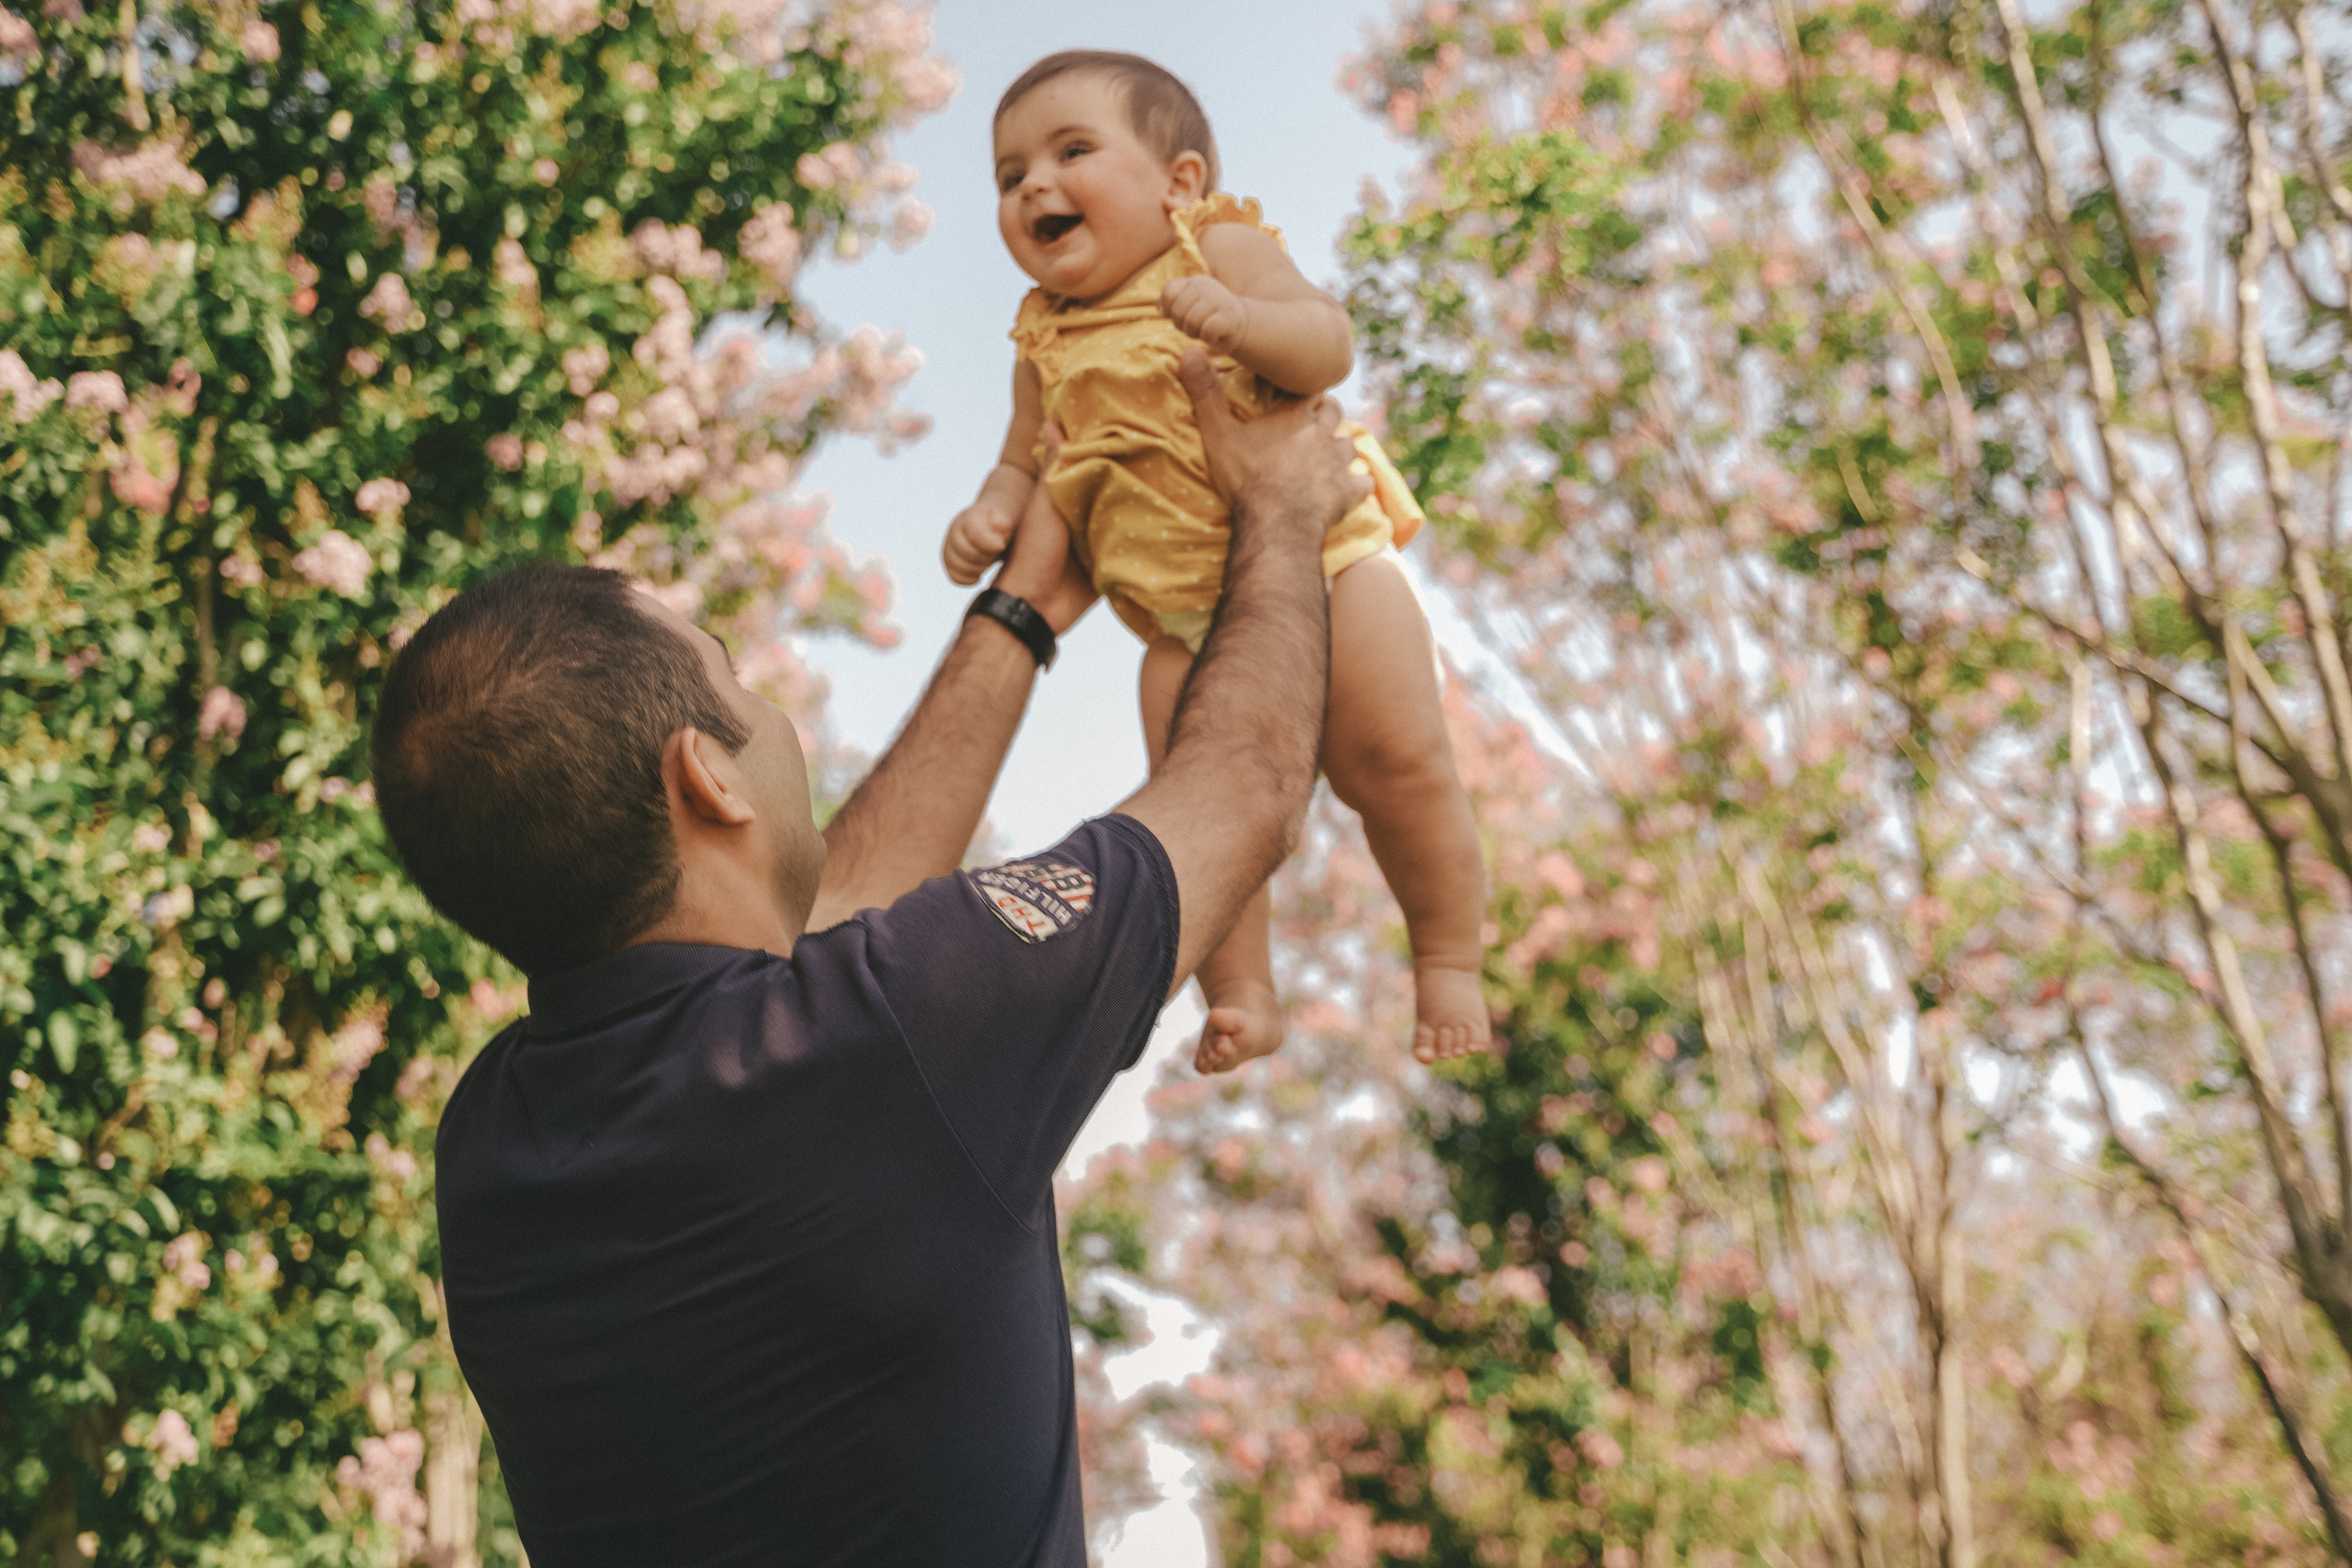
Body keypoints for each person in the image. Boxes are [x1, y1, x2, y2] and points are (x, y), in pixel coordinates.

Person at [369, 352, 1367, 1565]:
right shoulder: (893, 1035)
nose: (770, 706)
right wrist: (1284, 503)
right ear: (707, 774)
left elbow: (833, 915)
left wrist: (1020, 610)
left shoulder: (494, 1150)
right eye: (737, 677)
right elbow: (1246, 786)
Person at [943, 50, 1489, 1075]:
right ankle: (1241, 992)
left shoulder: (1216, 245)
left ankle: (1450, 954)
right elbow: (1024, 459)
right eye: (1010, 176)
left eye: (1071, 152)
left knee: (1400, 765)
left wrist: (1244, 324)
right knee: (1198, 812)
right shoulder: (1043, 338)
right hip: (1182, 622)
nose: (1034, 188)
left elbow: (1324, 342)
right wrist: (988, 513)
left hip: (1326, 562)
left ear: (1179, 181)